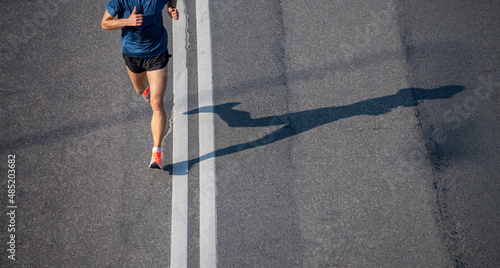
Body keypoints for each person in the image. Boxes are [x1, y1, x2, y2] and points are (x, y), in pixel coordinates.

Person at [101, 0, 179, 169]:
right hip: (132, 54)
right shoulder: (120, 1)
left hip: (157, 52)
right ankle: (147, 89)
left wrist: (172, 8)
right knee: (140, 90)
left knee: (156, 103)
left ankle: (156, 152)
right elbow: (105, 23)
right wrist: (127, 21)